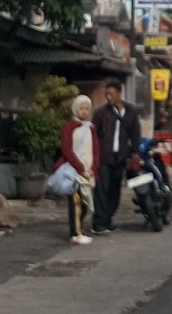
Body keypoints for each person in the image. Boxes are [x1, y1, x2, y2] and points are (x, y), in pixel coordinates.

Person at [92, 79, 141, 232]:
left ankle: (108, 220)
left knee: (114, 191)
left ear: (119, 94)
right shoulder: (100, 113)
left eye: (111, 94)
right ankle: (99, 223)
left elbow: (135, 135)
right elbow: (93, 136)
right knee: (101, 190)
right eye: (106, 94)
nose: (108, 97)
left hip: (120, 158)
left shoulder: (131, 112)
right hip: (104, 158)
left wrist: (135, 153)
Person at [60, 94, 96, 241]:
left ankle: (78, 229)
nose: (84, 111)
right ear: (76, 109)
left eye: (87, 108)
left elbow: (96, 150)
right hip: (74, 171)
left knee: (85, 204)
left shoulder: (91, 128)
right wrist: (79, 167)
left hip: (88, 172)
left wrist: (94, 168)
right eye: (81, 108)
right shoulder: (69, 127)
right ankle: (75, 234)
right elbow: (66, 149)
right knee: (75, 202)